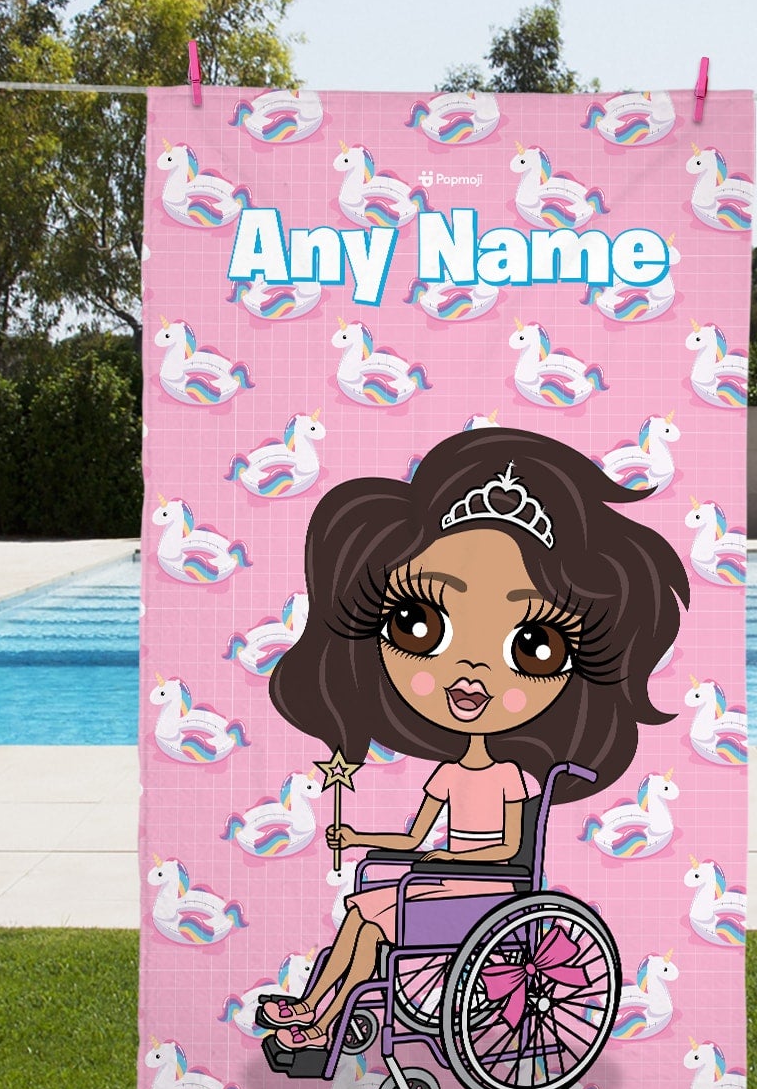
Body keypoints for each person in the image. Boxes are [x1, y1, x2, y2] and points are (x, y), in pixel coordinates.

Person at [260, 427, 689, 1051]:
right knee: (361, 914)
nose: (471, 672)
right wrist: (358, 839)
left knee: (373, 917)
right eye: (417, 624)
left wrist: (446, 862)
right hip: (443, 883)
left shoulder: (512, 777)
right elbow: (414, 839)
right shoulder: (447, 774)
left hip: (485, 891)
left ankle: (322, 1019)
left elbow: (510, 850)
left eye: (535, 646)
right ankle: (314, 1011)